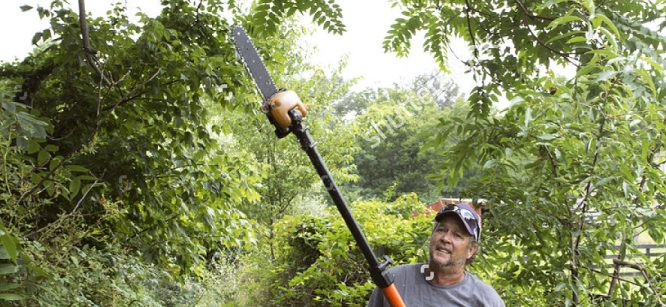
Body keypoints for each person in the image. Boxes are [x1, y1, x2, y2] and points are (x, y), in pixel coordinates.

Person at [367, 203, 504, 307]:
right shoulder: (394, 281)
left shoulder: (486, 300)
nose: (445, 238)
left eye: (457, 235)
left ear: (471, 250)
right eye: (441, 230)